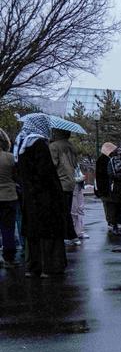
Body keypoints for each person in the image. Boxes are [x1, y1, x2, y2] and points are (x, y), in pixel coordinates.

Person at [12, 113, 67, 276]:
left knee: (32, 232)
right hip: (45, 197)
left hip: (28, 197)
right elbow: (46, 173)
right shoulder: (39, 144)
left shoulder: (20, 144)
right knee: (49, 231)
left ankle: (33, 266)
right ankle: (49, 266)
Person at [48, 127, 80, 245]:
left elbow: (52, 164)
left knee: (60, 211)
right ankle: (71, 235)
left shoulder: (54, 146)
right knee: (67, 209)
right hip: (70, 181)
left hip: (60, 182)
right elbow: (75, 164)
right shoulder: (71, 146)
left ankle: (66, 235)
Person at [0, 130, 19, 268]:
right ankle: (9, 258)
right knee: (8, 228)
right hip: (9, 196)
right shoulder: (10, 157)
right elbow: (16, 176)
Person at [95, 142, 118, 234]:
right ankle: (111, 222)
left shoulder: (103, 159)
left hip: (104, 187)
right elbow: (105, 175)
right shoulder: (105, 160)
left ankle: (111, 221)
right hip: (105, 187)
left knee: (108, 205)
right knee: (109, 205)